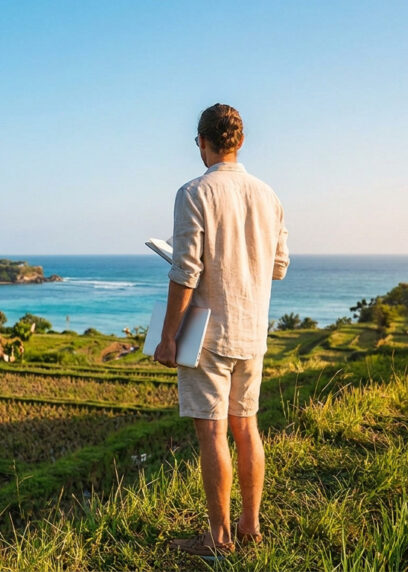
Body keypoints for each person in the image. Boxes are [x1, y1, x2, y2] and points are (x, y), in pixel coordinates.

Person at [154, 103, 289, 560]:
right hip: (252, 330)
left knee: (212, 434)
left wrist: (168, 336)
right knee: (246, 426)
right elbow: (279, 267)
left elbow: (185, 272)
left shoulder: (193, 193)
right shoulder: (268, 195)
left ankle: (218, 538)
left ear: (201, 143)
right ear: (241, 141)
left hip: (207, 333)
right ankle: (250, 527)